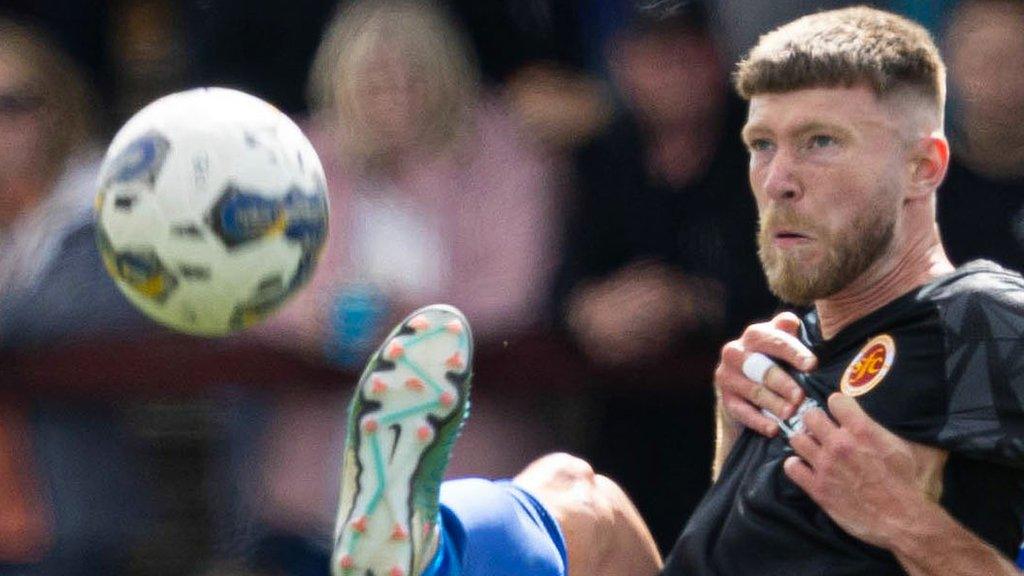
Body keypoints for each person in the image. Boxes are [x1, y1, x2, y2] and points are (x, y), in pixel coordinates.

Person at [328, 6, 1024, 576]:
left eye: (821, 143)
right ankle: (421, 549)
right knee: (576, 489)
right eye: (761, 145)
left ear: (921, 168)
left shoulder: (980, 315)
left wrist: (903, 521)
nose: (778, 180)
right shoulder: (791, 350)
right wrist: (737, 444)